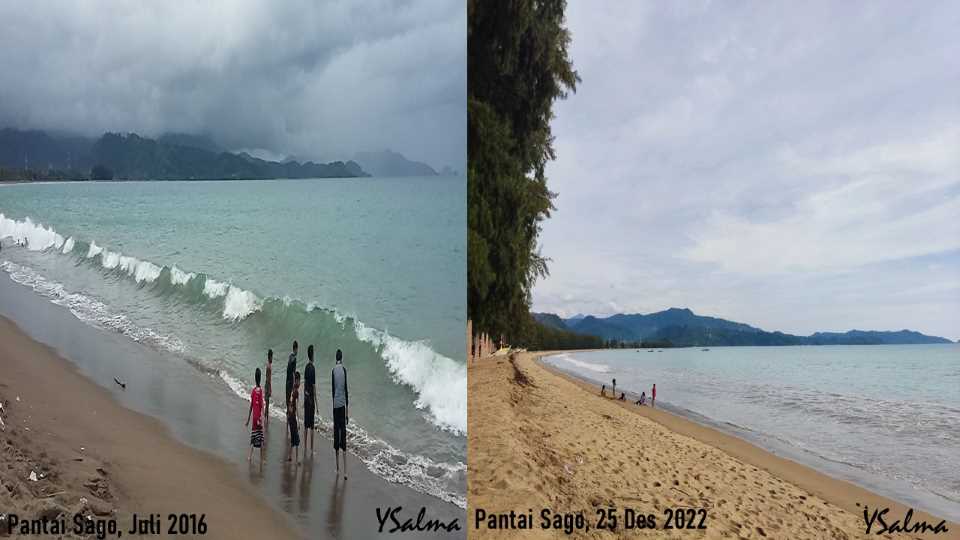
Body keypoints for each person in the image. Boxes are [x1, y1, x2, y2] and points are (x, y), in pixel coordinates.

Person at [331, 349, 349, 479]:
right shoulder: (344, 370)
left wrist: (333, 406)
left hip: (335, 406)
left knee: (336, 436)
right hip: (342, 406)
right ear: (341, 358)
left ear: (335, 358)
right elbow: (346, 391)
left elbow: (332, 391)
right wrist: (347, 413)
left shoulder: (333, 371)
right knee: (343, 436)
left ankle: (337, 468)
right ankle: (345, 471)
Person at [245, 367, 265, 463]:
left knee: (253, 438)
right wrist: (264, 418)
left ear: (255, 378)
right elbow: (262, 406)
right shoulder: (260, 391)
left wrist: (248, 420)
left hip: (254, 418)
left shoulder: (253, 391)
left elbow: (251, 406)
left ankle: (249, 456)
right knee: (260, 439)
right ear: (260, 378)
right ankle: (261, 459)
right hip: (259, 419)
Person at [304, 344, 318, 453]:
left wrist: (304, 397)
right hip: (311, 400)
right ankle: (312, 448)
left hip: (306, 397)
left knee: (306, 425)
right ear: (312, 355)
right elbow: (314, 387)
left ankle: (304, 446)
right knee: (312, 425)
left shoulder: (306, 367)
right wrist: (317, 404)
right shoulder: (313, 369)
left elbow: (305, 384)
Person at [287, 371, 301, 464]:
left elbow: (290, 403)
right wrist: (299, 421)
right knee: (296, 439)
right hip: (293, 417)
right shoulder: (296, 392)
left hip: (290, 416)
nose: (300, 383)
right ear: (296, 381)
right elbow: (297, 407)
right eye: (299, 381)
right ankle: (297, 460)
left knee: (293, 438)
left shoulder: (292, 390)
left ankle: (290, 456)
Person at [285, 341, 298, 415]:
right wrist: (294, 384)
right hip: (290, 381)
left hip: (287, 380)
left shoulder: (290, 356)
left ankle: (288, 413)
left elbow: (288, 369)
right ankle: (290, 414)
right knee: (291, 399)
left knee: (287, 398)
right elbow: (294, 372)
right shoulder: (294, 358)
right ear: (296, 349)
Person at [264, 349, 273, 427]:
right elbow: (269, 379)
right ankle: (266, 418)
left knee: (267, 402)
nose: (272, 359)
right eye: (272, 357)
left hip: (266, 384)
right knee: (267, 402)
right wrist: (270, 388)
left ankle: (266, 417)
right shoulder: (269, 367)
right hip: (267, 384)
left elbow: (266, 377)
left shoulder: (267, 365)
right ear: (270, 357)